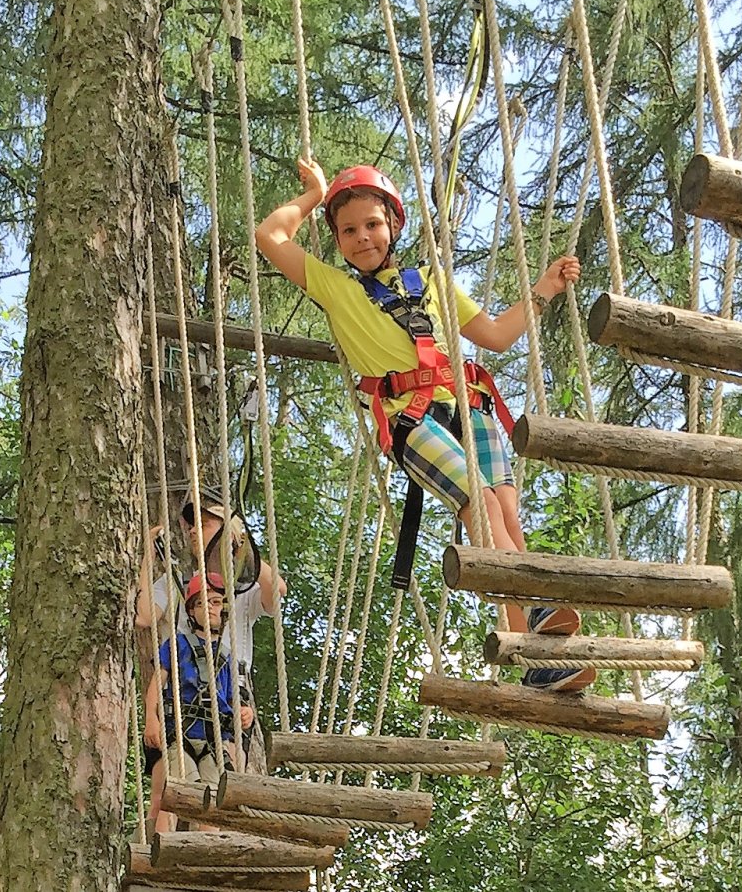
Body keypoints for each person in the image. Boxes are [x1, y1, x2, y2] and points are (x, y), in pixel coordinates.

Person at [252, 157, 591, 693]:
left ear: (392, 227)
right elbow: (270, 234)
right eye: (348, 230)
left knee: (505, 516)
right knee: (478, 503)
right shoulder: (337, 289)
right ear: (337, 241)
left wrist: (544, 288)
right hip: (410, 419)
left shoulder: (431, 282)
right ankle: (537, 600)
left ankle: (535, 657)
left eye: (371, 225)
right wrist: (315, 195)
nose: (362, 237)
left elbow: (497, 336)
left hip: (466, 403)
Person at [137, 489, 285, 771]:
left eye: (203, 525)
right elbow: (143, 616)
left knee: (223, 783)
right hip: (181, 701)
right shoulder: (178, 582)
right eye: (192, 525)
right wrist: (147, 556)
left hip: (228, 697)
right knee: (171, 792)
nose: (193, 531)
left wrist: (241, 547)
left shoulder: (242, 587)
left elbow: (276, 590)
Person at [143, 572, 254, 836]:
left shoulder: (225, 658)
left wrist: (244, 713)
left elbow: (232, 700)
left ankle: (208, 855)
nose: (211, 609)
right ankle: (157, 853)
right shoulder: (177, 645)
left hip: (212, 742)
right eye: (203, 603)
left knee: (213, 801)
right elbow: (157, 684)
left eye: (216, 603)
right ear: (191, 611)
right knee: (175, 794)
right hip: (181, 734)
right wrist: (151, 718)